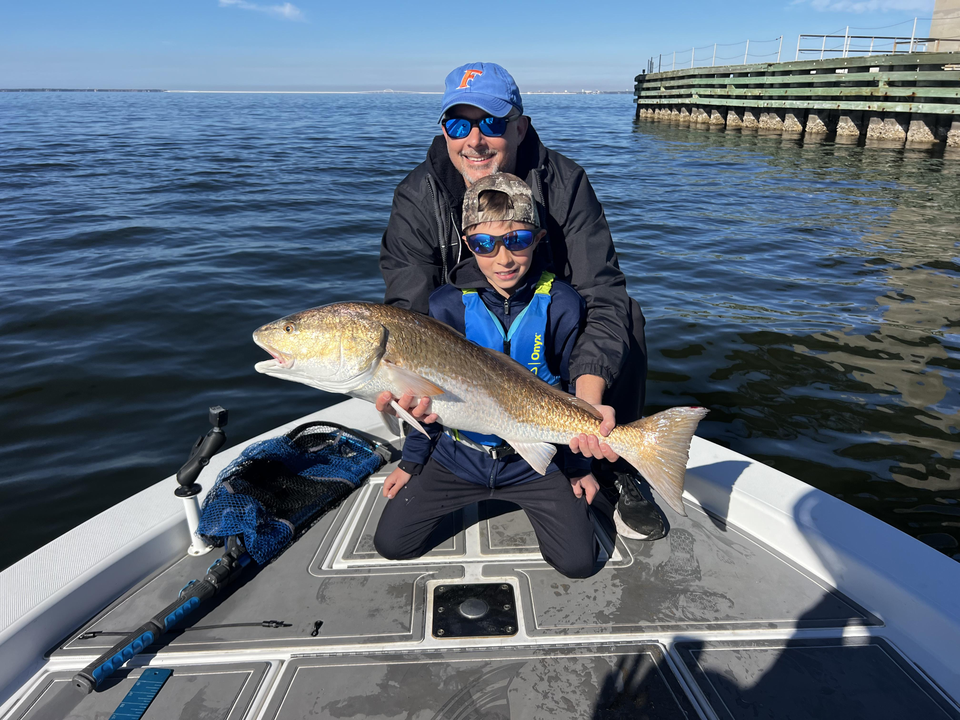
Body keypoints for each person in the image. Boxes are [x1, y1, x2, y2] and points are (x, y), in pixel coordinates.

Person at [377, 61, 665, 541]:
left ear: (520, 126)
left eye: (490, 122)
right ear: (444, 130)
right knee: (404, 341)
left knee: (626, 317)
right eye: (458, 124)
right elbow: (408, 314)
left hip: (549, 323)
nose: (474, 140)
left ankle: (613, 460)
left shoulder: (565, 183)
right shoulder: (417, 195)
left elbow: (602, 292)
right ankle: (434, 448)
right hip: (464, 331)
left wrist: (588, 402)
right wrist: (409, 394)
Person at [373, 174, 612, 578]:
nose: (503, 258)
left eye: (518, 240)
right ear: (468, 244)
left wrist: (578, 466)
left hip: (532, 461)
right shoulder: (446, 305)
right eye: (485, 244)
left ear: (537, 240)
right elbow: (423, 394)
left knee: (578, 563)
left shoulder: (563, 303)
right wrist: (411, 461)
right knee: (392, 544)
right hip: (457, 456)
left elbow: (569, 391)